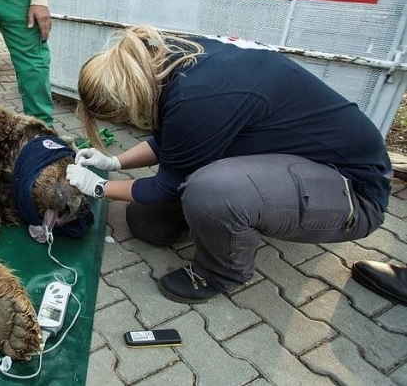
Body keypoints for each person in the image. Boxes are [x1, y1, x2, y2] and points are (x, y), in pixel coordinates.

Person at [65, 26, 392, 303]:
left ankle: (221, 273)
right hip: (293, 160)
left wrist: (99, 186)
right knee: (148, 223)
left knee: (211, 192)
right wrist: (114, 160)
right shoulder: (166, 61)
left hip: (350, 188)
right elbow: (176, 139)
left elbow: (165, 186)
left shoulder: (197, 95)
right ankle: (223, 217)